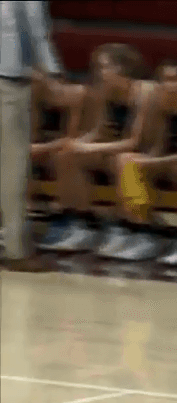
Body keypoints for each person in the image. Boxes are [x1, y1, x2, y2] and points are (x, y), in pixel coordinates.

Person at [43, 44, 153, 254]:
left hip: (146, 151)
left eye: (104, 66)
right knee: (65, 155)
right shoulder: (105, 92)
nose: (100, 72)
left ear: (122, 67)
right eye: (98, 67)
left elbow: (135, 141)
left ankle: (131, 229)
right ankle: (84, 224)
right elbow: (100, 130)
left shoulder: (144, 91)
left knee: (122, 160)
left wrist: (88, 148)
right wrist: (78, 143)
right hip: (116, 149)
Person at [106, 60, 177, 263]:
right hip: (170, 158)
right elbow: (159, 145)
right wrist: (149, 159)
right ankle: (144, 230)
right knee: (125, 159)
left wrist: (154, 163)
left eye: (176, 79)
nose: (171, 85)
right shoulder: (160, 104)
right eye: (165, 80)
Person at [1, 0, 61, 272]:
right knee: (13, 168)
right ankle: (14, 250)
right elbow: (33, 31)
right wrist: (52, 73)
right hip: (8, 82)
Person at [28, 69, 85, 221]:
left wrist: (42, 148)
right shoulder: (31, 99)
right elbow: (32, 137)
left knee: (64, 156)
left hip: (76, 148)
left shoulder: (76, 94)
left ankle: (70, 213)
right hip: (49, 147)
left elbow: (71, 140)